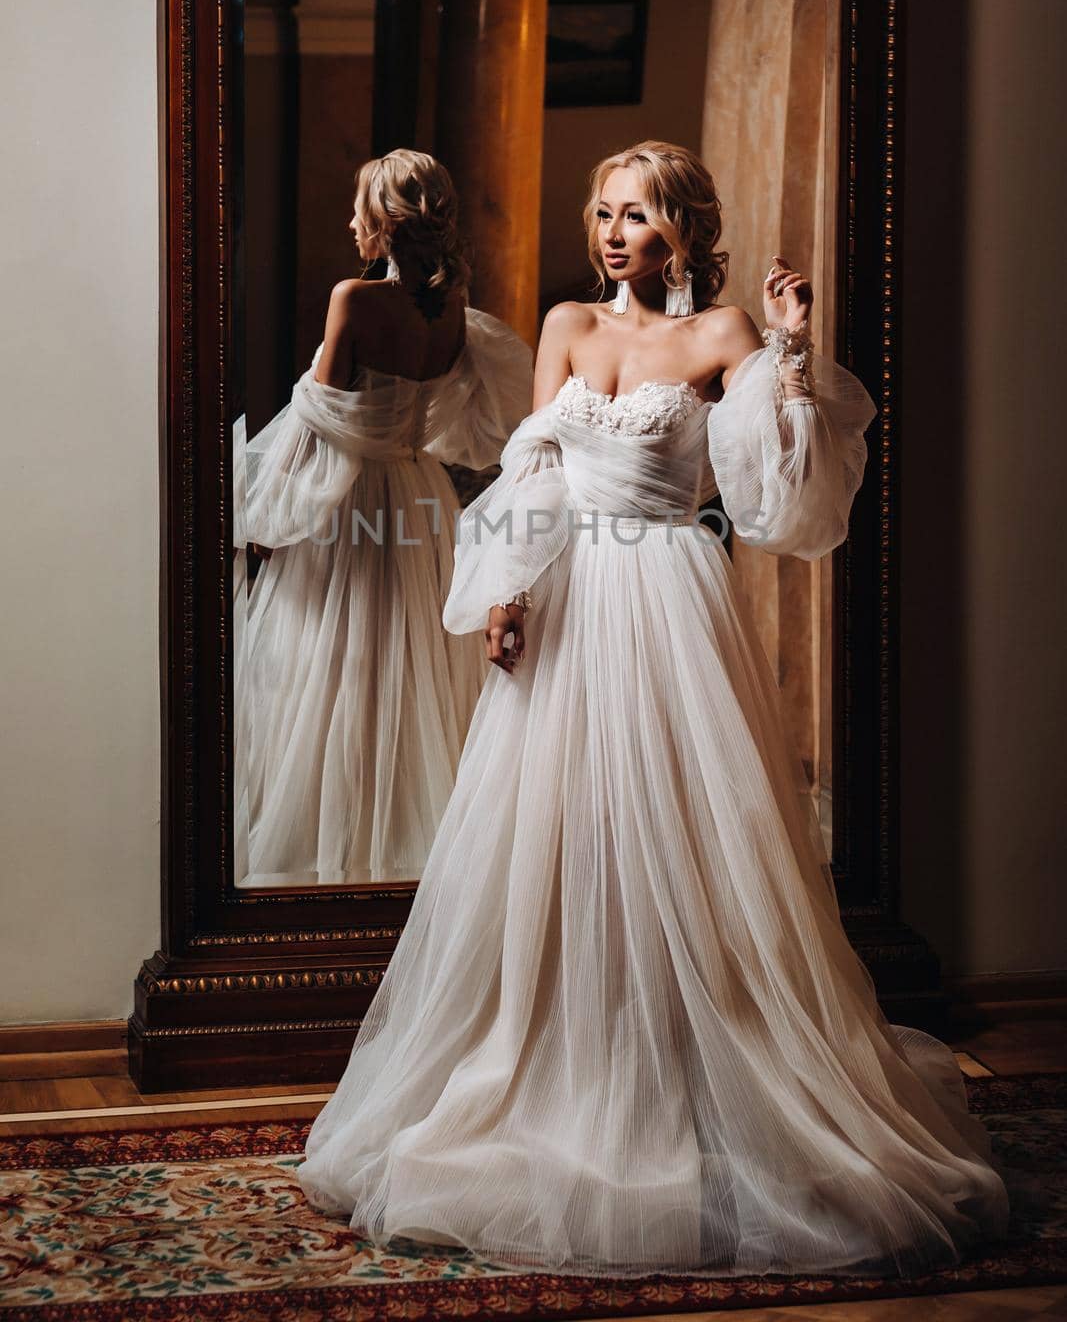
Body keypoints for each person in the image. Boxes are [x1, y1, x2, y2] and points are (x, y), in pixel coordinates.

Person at [296, 141, 1010, 1275]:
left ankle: (700, 1075)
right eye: (603, 211)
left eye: (635, 213)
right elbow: (530, 466)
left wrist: (786, 349)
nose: (613, 231)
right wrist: (506, 592)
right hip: (569, 594)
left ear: (681, 226)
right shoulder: (569, 328)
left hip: (670, 595)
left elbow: (779, 496)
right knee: (553, 834)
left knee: (686, 833)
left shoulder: (719, 336)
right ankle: (559, 1063)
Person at [234, 150, 532, 885]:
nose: (349, 222)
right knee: (404, 653)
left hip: (352, 493)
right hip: (418, 491)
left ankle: (337, 827)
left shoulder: (355, 299)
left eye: (360, 208)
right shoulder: (454, 300)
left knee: (338, 652)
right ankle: (406, 819)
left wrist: (274, 513)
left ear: (388, 222)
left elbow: (320, 418)